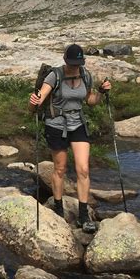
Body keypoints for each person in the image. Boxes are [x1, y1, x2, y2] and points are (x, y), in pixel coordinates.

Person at [28, 44, 111, 233]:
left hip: (78, 124)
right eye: (72, 63)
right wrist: (32, 103)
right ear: (65, 60)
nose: (75, 67)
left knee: (83, 169)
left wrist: (101, 93)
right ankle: (58, 208)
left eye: (78, 63)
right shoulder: (54, 76)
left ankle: (83, 216)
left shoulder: (85, 75)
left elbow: (90, 101)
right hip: (56, 125)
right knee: (60, 168)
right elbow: (37, 103)